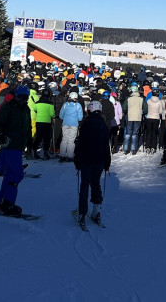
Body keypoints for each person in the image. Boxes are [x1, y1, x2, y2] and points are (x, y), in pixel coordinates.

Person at [0, 84, 32, 216]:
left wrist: (30, 141)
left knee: (9, 174)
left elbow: (28, 126)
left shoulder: (26, 109)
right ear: (16, 96)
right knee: (17, 174)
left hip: (19, 145)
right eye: (20, 97)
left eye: (25, 98)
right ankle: (8, 203)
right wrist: (1, 135)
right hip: (10, 144)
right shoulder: (8, 107)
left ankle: (2, 203)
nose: (22, 100)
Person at [73, 100, 111, 228]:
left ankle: (82, 214)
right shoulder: (103, 125)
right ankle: (96, 211)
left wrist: (77, 159)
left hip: (86, 159)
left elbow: (80, 143)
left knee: (84, 185)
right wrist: (107, 162)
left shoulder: (86, 123)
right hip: (99, 159)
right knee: (96, 184)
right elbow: (106, 145)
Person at [59, 90, 83, 162]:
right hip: (74, 124)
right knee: (71, 141)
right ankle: (70, 156)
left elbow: (60, 115)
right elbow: (80, 118)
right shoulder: (78, 105)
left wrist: (65, 118)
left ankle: (62, 155)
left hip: (65, 124)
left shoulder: (65, 105)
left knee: (64, 139)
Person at [123, 84, 144, 154]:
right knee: (135, 134)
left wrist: (126, 111)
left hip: (129, 117)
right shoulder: (141, 99)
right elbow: (146, 108)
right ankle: (133, 149)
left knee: (128, 133)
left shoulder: (128, 99)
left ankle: (126, 149)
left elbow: (124, 108)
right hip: (138, 117)